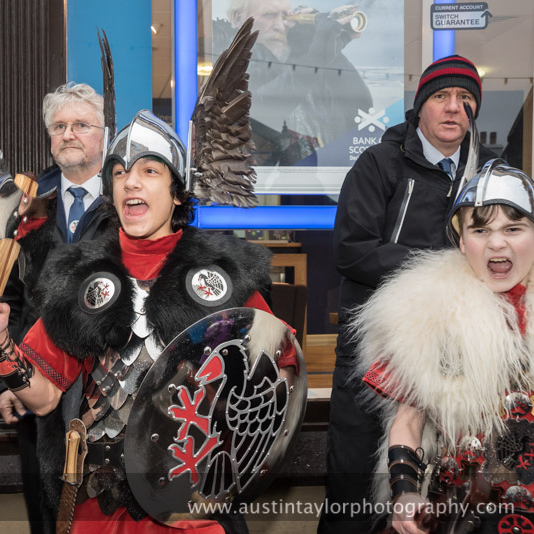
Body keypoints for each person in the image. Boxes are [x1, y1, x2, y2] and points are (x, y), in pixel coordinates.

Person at [0, 110, 300, 532]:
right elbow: (44, 397)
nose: (131, 182)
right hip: (101, 510)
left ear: (177, 192)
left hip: (194, 512)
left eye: (150, 170)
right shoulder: (78, 278)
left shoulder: (223, 277)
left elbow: (276, 380)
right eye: (119, 173)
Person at [321, 54, 496, 533]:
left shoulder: (487, 177)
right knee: (354, 485)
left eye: (465, 99)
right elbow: (352, 250)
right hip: (372, 351)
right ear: (420, 107)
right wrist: (443, 268)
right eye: (441, 96)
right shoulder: (379, 164)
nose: (453, 108)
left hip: (453, 358)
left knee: (436, 487)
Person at [356, 160, 534, 533]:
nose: (497, 242)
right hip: (460, 512)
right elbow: (408, 420)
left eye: (513, 228)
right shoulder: (426, 309)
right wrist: (404, 492)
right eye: (480, 229)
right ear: (462, 239)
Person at [0, 82, 113, 534]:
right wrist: (6, 380)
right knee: (46, 514)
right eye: (59, 126)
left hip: (108, 387)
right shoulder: (23, 202)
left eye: (81, 124)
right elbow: (5, 299)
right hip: (35, 381)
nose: (69, 134)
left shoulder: (128, 201)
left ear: (103, 132)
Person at [219, 0, 372, 166]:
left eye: (286, 16)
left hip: (319, 176)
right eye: (269, 15)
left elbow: (360, 109)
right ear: (237, 18)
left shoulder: (298, 60)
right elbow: (260, 108)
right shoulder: (228, 60)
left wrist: (332, 51)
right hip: (264, 182)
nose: (280, 26)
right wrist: (318, 53)